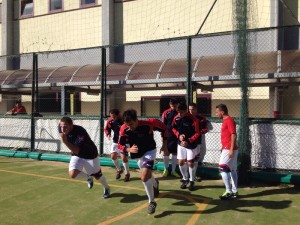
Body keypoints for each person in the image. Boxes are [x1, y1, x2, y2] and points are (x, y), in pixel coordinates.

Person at [118, 109, 167, 214]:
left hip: (150, 151)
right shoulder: (123, 129)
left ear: (136, 120)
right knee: (148, 175)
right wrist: (128, 149)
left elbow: (164, 128)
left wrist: (164, 145)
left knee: (144, 177)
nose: (129, 127)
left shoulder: (149, 123)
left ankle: (151, 202)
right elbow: (119, 145)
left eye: (131, 124)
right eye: (127, 125)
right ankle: (155, 183)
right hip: (137, 155)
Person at [59, 116, 111, 199]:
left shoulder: (80, 131)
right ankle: (88, 177)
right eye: (61, 127)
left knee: (98, 176)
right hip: (77, 155)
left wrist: (65, 141)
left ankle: (107, 187)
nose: (62, 129)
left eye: (65, 127)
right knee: (72, 174)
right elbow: (75, 151)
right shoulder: (62, 128)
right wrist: (63, 135)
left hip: (89, 155)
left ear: (71, 125)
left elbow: (76, 150)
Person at [172, 102, 201, 191]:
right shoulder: (176, 118)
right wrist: (178, 135)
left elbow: (197, 133)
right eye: (178, 112)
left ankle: (192, 181)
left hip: (191, 145)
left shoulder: (193, 120)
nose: (179, 114)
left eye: (181, 112)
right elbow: (173, 128)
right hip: (180, 144)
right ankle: (185, 179)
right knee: (180, 162)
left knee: (190, 163)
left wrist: (188, 141)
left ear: (186, 111)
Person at [215, 104, 238, 200]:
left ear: (222, 112)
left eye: (217, 112)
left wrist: (231, 149)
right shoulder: (225, 120)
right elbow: (227, 136)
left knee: (221, 168)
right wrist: (223, 147)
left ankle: (229, 191)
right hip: (227, 148)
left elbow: (233, 135)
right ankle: (234, 191)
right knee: (232, 170)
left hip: (229, 149)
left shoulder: (229, 120)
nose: (216, 114)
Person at [104, 109, 130, 182]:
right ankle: (119, 170)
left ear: (118, 115)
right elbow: (107, 128)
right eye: (111, 116)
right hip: (115, 141)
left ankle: (127, 174)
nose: (113, 118)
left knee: (124, 158)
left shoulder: (124, 121)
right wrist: (108, 134)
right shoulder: (110, 121)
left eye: (114, 116)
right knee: (113, 156)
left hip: (124, 141)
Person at [188, 102, 209, 182]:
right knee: (188, 159)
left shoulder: (201, 117)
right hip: (188, 141)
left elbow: (205, 129)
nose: (191, 111)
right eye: (189, 109)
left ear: (196, 110)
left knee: (196, 159)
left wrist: (200, 132)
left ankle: (193, 175)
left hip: (198, 141)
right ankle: (187, 177)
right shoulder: (186, 117)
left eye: (192, 109)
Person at [161, 98, 181, 178]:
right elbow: (162, 126)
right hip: (168, 135)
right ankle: (165, 169)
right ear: (170, 105)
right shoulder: (166, 112)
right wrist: (162, 136)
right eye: (171, 105)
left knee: (175, 153)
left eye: (174, 105)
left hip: (177, 136)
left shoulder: (180, 112)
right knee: (166, 152)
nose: (173, 106)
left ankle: (173, 171)